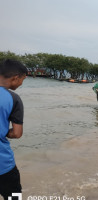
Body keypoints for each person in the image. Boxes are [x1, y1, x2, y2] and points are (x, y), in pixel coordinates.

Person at [0, 59, 27, 199]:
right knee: (14, 197)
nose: (22, 84)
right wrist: (4, 132)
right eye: (23, 79)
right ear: (15, 78)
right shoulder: (13, 98)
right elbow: (17, 133)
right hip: (3, 165)